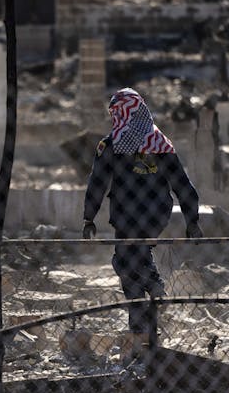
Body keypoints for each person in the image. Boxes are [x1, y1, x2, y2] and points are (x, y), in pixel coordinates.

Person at [82, 87, 203, 347]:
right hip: (155, 215)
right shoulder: (161, 144)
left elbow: (97, 184)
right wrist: (192, 219)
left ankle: (147, 302)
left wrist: (88, 218)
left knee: (125, 263)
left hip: (127, 215)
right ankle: (147, 325)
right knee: (133, 261)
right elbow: (182, 184)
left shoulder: (111, 145)